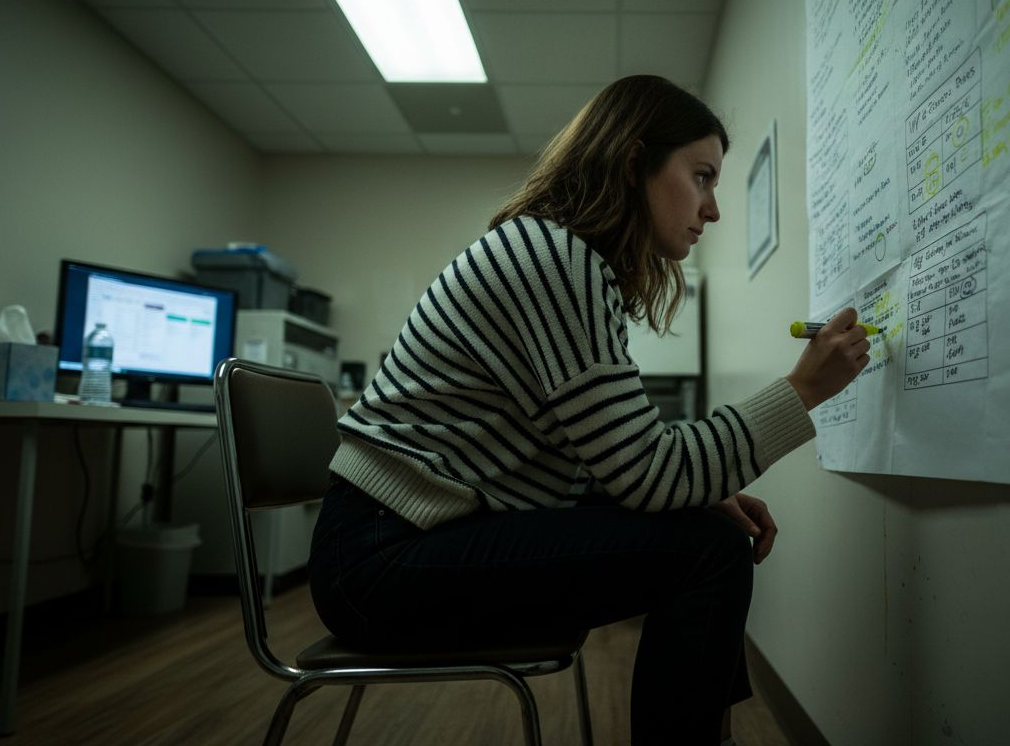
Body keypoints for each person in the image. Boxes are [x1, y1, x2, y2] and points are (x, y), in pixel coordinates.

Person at [307, 74, 871, 745]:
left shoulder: (558, 255)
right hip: (378, 563)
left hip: (393, 540)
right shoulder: (554, 259)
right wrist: (803, 390)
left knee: (701, 533)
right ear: (634, 163)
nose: (712, 209)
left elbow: (607, 457)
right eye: (701, 177)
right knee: (709, 554)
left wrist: (693, 492)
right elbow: (646, 472)